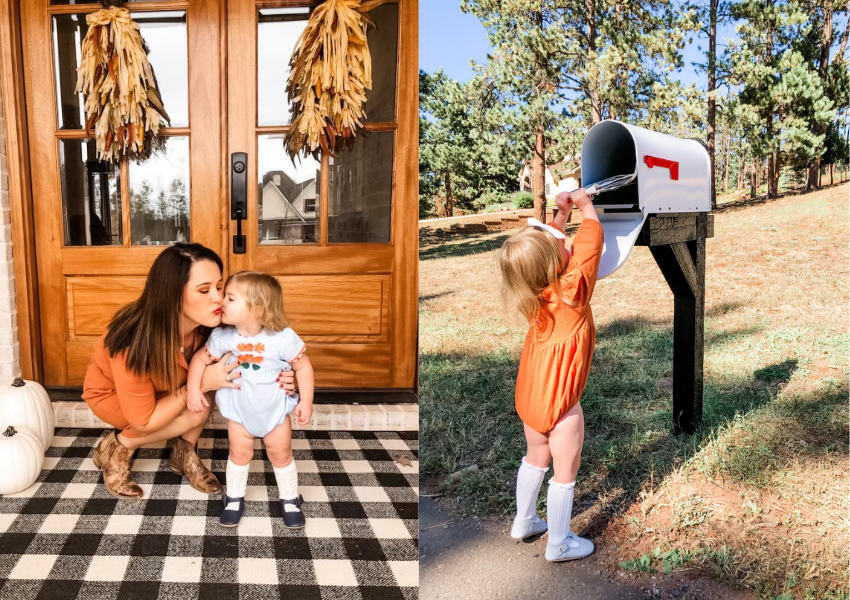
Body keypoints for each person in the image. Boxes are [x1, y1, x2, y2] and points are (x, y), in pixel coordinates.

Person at [82, 244, 296, 498]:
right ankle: (118, 446)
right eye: (204, 290)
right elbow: (143, 420)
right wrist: (198, 387)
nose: (218, 298)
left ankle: (184, 454)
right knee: (196, 406)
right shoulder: (133, 341)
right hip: (116, 397)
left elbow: (257, 357)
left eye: (219, 287)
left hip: (169, 389)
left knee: (210, 390)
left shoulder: (215, 327)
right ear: (172, 295)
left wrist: (282, 376)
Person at [496, 188, 603, 562]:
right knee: (564, 474)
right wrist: (587, 209)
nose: (563, 241)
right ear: (554, 264)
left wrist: (561, 215)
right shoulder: (572, 292)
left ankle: (524, 521)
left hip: (531, 400)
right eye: (558, 241)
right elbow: (587, 251)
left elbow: (551, 250)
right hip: (561, 407)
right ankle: (559, 543)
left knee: (534, 456)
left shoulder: (533, 294)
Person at [186, 271, 314, 528]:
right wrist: (193, 390)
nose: (222, 301)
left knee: (281, 454)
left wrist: (306, 402)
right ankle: (234, 498)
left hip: (275, 413)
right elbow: (200, 359)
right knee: (239, 453)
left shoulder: (282, 338)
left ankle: (289, 499)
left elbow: (304, 368)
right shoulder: (225, 338)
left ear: (257, 308)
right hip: (240, 414)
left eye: (231, 298)